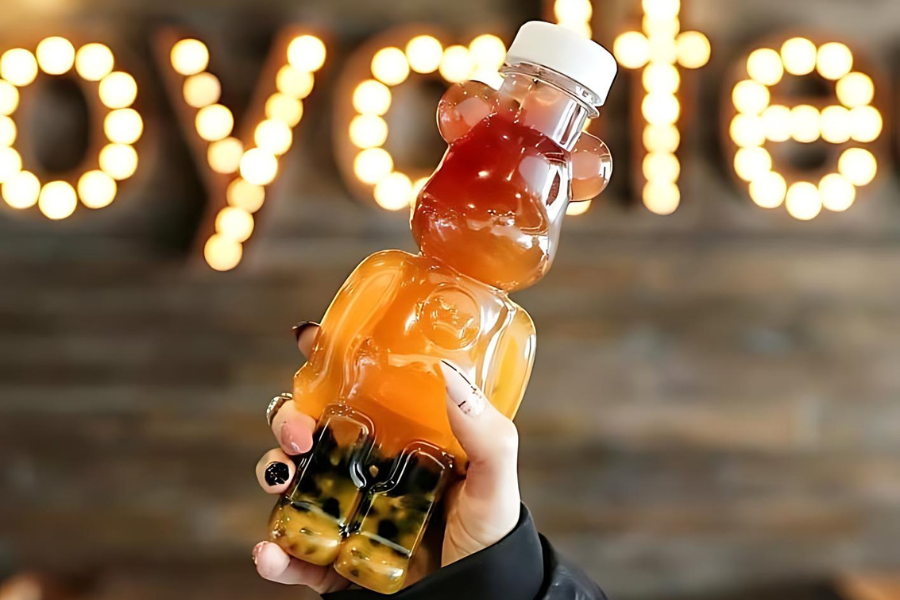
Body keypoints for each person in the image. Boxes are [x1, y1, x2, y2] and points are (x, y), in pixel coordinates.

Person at [253, 323, 608, 599]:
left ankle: (382, 552)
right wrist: (320, 382)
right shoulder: (391, 272)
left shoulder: (512, 328)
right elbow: (338, 339)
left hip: (429, 451)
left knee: (403, 496)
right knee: (337, 462)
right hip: (359, 413)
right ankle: (315, 520)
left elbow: (503, 399)